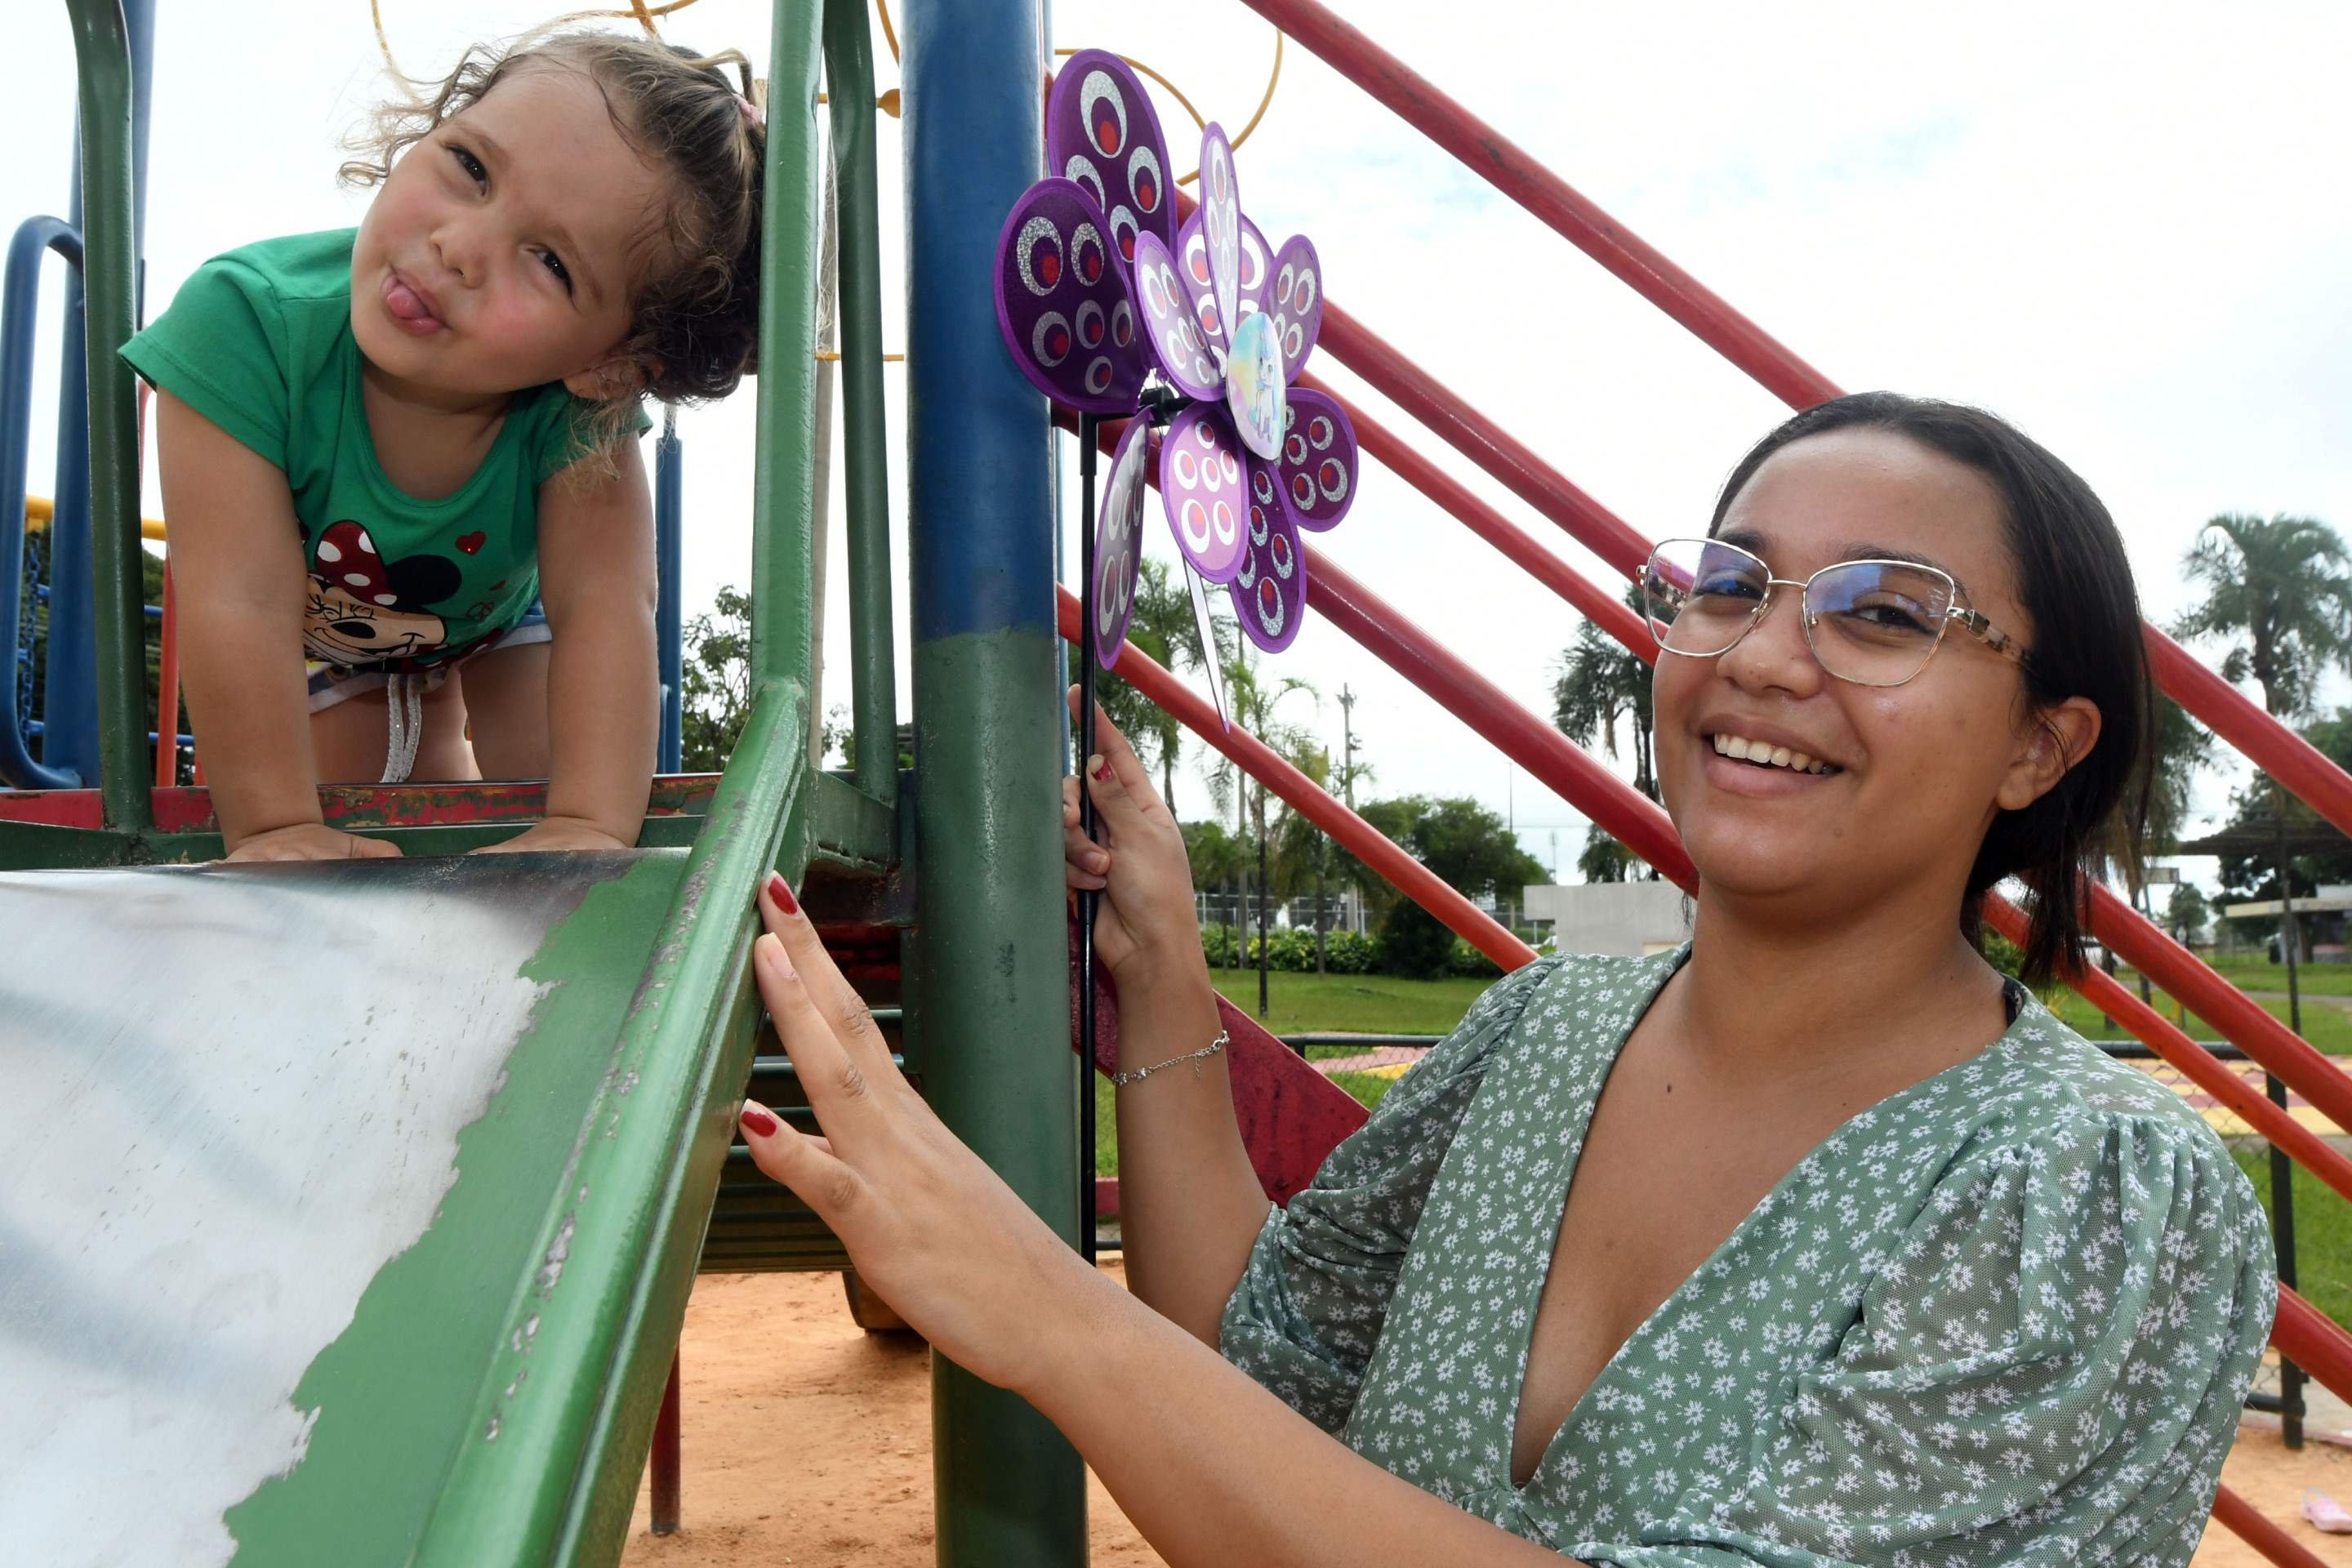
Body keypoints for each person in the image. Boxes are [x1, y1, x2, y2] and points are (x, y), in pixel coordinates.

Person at [736, 394, 2278, 1564]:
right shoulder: (1546, 1028)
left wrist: (1046, 1312)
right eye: (1730, 583)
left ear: (2041, 744)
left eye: (1881, 614)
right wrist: (1163, 967)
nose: (1757, 657)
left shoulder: (2085, 1186)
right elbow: (1249, 1371)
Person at [122, 33, 764, 859]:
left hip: (497, 609)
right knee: (324, 813)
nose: (458, 249)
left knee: (550, 788)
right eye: (471, 167)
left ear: (607, 365)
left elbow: (604, 606)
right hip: (313, 613)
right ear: (433, 127)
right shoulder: (243, 329)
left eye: (548, 261)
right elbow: (240, 601)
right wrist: (274, 828)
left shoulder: (573, 412)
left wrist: (587, 826)